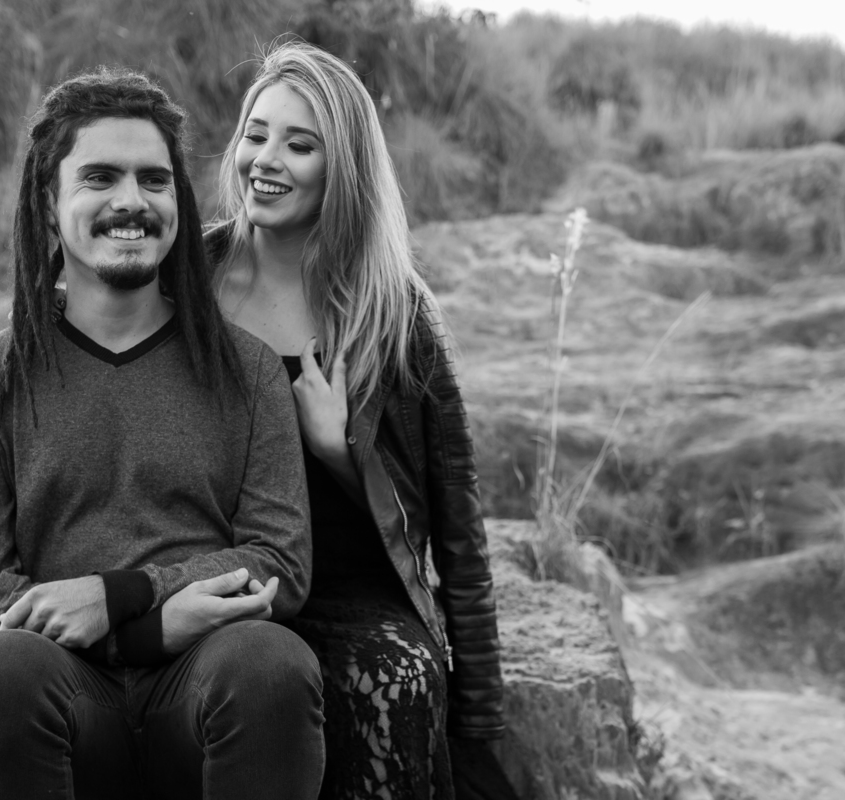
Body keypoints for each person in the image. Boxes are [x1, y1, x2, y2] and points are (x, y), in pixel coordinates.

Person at [0, 67, 324, 800]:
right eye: (99, 178)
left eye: (154, 180)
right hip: (66, 697)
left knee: (270, 661)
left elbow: (281, 561)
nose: (131, 202)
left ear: (178, 202)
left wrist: (126, 593)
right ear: (48, 205)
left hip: (205, 687)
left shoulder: (248, 371)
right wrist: (143, 634)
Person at [208, 41, 506, 799]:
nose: (266, 160)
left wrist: (341, 453)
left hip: (353, 594)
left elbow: (459, 533)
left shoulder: (395, 311)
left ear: (342, 168)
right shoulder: (190, 281)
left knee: (395, 680)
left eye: (300, 145)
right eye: (256, 134)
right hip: (218, 584)